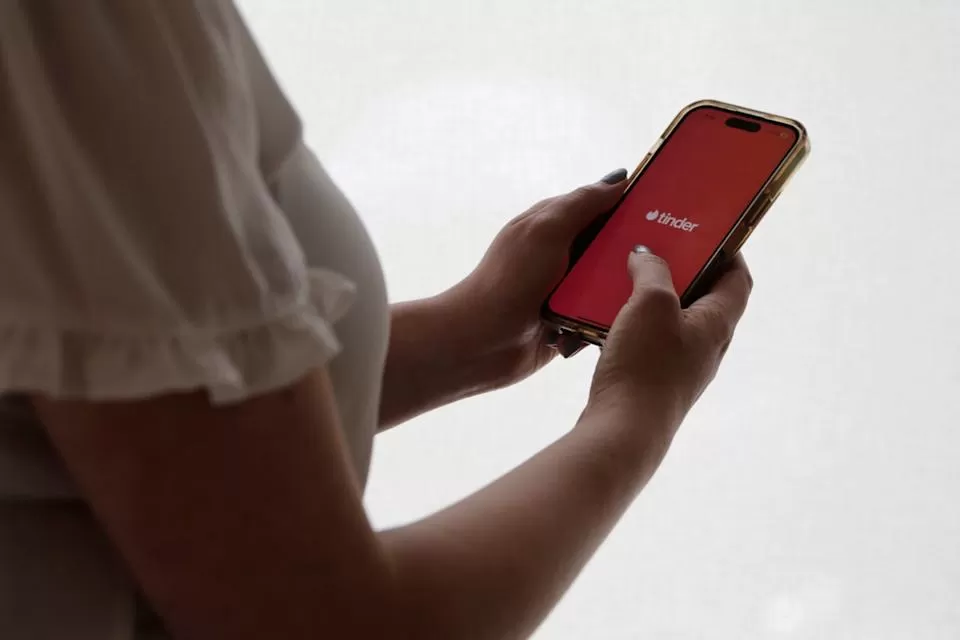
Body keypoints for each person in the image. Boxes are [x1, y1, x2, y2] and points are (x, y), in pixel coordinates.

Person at [0, 2, 753, 638]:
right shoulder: (72, 31)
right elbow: (331, 625)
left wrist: (468, 336)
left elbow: (144, 423)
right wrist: (638, 414)